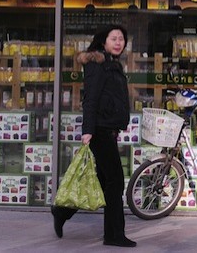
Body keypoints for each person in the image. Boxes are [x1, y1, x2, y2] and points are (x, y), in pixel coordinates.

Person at [51, 24, 136, 248]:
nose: (119, 42)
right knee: (115, 181)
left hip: (108, 129)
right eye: (114, 38)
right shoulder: (97, 64)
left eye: (121, 39)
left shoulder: (112, 64)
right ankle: (114, 235)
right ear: (103, 41)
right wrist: (87, 131)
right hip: (99, 130)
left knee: (103, 180)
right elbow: (91, 98)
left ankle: (61, 211)